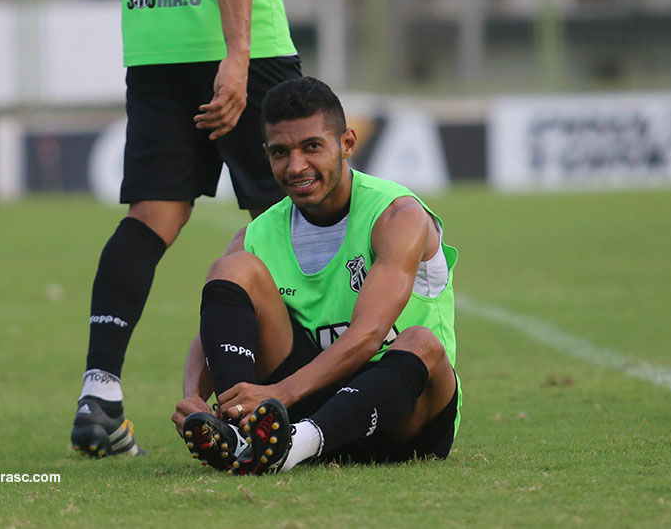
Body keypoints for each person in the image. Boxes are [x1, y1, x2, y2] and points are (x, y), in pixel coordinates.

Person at [171, 77, 462, 475]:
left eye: (311, 147)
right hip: (311, 403)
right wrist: (194, 399)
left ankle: (290, 446)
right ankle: (242, 430)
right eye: (280, 152)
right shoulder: (258, 235)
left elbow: (368, 336)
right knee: (231, 269)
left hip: (403, 420)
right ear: (266, 155)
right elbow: (212, 334)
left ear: (346, 144)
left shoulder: (398, 216)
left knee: (422, 343)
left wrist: (279, 393)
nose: (296, 166)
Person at [70, 0, 302, 458]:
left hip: (155, 44)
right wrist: (237, 53)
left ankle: (99, 395)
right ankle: (300, 394)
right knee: (290, 214)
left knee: (151, 217)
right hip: (241, 43)